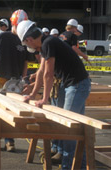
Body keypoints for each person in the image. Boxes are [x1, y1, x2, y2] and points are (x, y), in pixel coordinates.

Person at [17, 20, 91, 169]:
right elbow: (41, 72)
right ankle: (80, 166)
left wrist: (44, 98)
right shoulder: (47, 43)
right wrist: (32, 94)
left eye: (27, 44)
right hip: (76, 84)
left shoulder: (48, 43)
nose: (29, 48)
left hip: (76, 85)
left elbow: (49, 74)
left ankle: (68, 166)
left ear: (29, 40)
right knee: (76, 130)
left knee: (68, 130)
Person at [0, 9, 28, 152]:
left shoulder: (24, 39)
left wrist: (23, 78)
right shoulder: (3, 36)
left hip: (15, 81)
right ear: (14, 24)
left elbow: (26, 62)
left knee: (11, 112)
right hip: (0, 77)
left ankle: (9, 141)